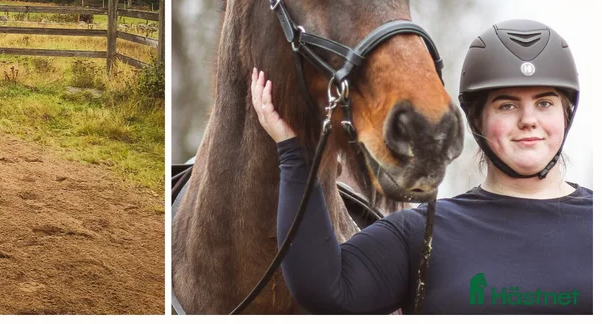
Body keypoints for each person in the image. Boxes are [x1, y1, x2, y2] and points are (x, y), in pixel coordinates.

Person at [252, 19, 591, 313]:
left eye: (544, 103)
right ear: (477, 120)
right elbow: (324, 289)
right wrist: (297, 153)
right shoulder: (422, 233)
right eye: (507, 106)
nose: (529, 120)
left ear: (566, 115)